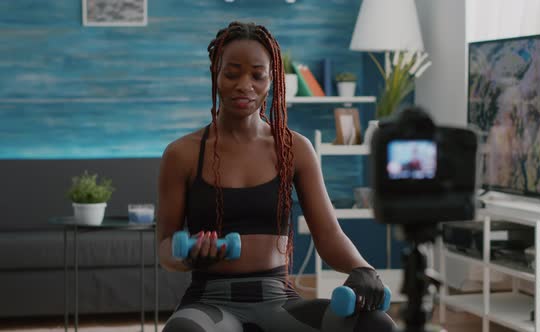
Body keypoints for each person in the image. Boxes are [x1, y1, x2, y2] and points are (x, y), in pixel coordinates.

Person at [157, 21, 396, 332]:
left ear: (273, 80)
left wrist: (363, 269)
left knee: (377, 325)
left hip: (278, 300)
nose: (245, 84)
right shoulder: (182, 154)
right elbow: (164, 248)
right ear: (215, 73)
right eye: (232, 73)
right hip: (209, 302)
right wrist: (188, 256)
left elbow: (328, 236)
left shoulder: (295, 149)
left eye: (257, 75)